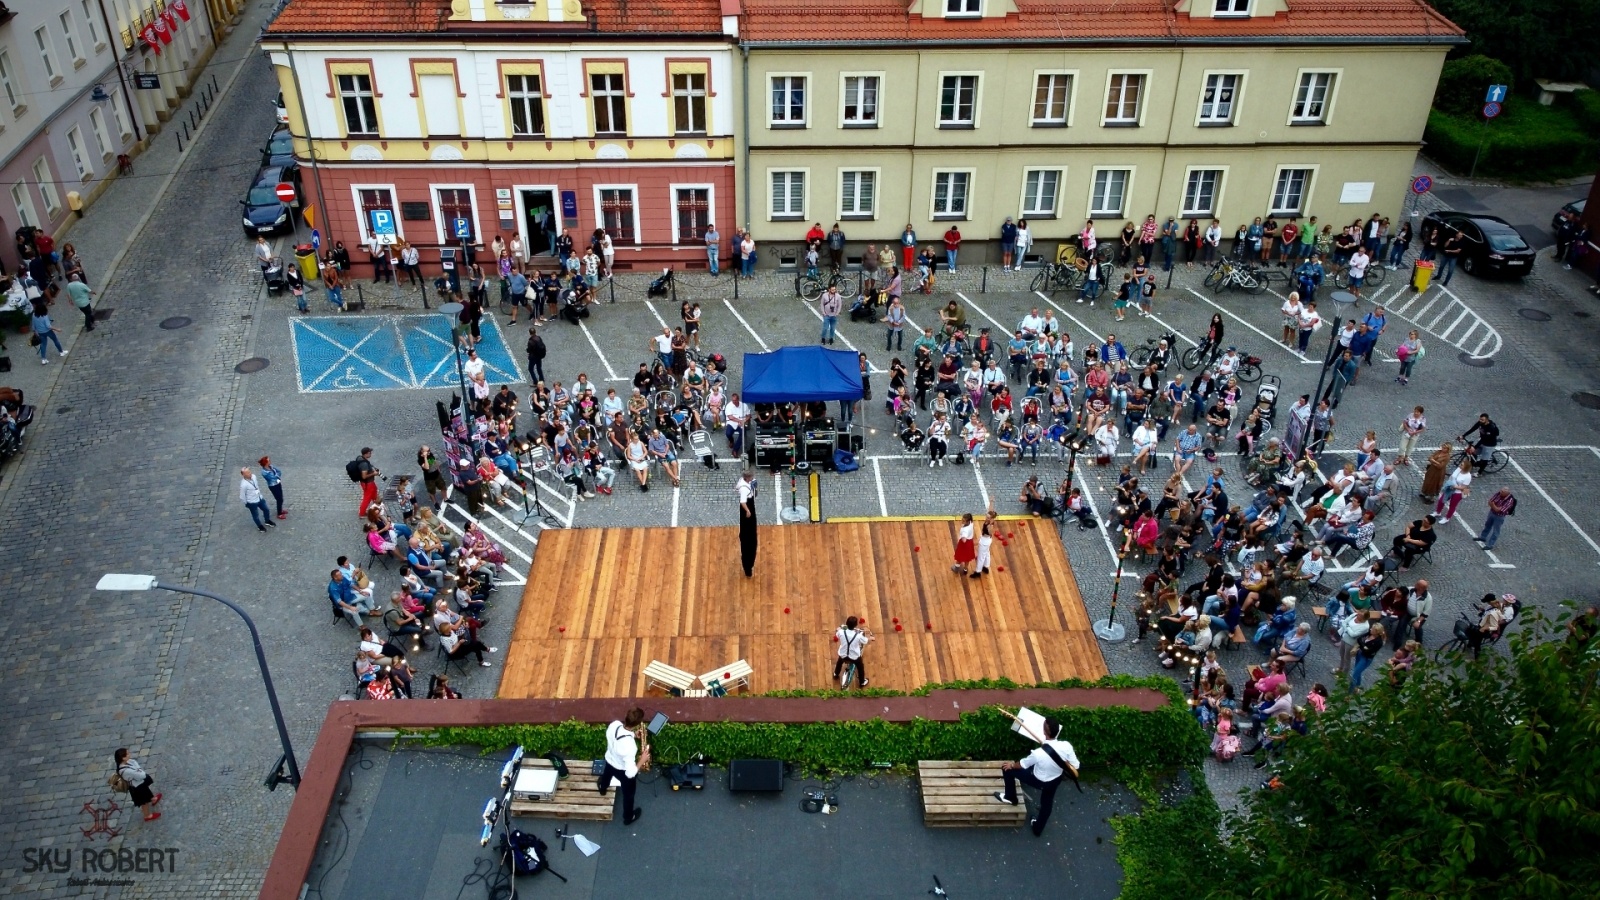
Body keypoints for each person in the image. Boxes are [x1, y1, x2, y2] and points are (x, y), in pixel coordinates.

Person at [993, 717, 1078, 837]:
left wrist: (1011, 765)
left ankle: (1011, 797)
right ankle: (1038, 829)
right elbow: (1076, 765)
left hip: (1038, 780)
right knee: (1047, 804)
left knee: (1007, 770)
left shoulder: (1038, 753)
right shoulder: (1067, 746)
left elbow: (1021, 764)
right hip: (1055, 780)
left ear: (1044, 732)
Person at [600, 708, 646, 825]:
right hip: (622, 771)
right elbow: (630, 773)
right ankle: (628, 817)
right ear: (636, 724)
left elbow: (619, 738)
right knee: (628, 795)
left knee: (606, 776)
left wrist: (633, 735)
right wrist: (642, 760)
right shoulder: (630, 747)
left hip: (610, 760)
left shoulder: (614, 725)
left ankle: (603, 789)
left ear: (626, 717)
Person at [114, 748, 162, 822]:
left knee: (147, 792)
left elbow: (133, 762)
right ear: (123, 758)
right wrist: (139, 769)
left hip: (139, 784)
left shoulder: (125, 763)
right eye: (127, 754)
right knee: (143, 802)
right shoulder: (126, 771)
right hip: (137, 788)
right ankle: (147, 816)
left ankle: (153, 799)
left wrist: (138, 769)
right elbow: (142, 775)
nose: (129, 755)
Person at [834, 616, 872, 686]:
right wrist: (871, 638)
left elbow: (837, 633)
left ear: (846, 624)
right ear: (855, 625)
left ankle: (836, 673)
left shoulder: (841, 632)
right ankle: (862, 682)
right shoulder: (858, 636)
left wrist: (839, 628)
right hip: (854, 657)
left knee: (839, 662)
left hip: (843, 654)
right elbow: (865, 641)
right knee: (860, 667)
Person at [239, 466, 276, 532]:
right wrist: (247, 503)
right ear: (243, 475)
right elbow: (242, 496)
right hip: (252, 502)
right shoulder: (243, 485)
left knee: (266, 509)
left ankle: (267, 521)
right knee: (255, 515)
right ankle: (260, 526)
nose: (250, 473)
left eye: (249, 472)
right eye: (247, 473)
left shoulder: (254, 476)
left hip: (259, 498)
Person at [738, 469, 759, 578]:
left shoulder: (743, 481)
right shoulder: (744, 489)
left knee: (748, 531)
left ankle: (748, 564)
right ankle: (748, 566)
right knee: (749, 539)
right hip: (747, 507)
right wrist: (748, 511)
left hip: (749, 505)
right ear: (747, 478)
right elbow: (743, 501)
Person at [353, 447, 380, 517]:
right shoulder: (364, 464)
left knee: (374, 492)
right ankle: (362, 513)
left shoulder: (359, 458)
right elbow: (364, 476)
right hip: (368, 483)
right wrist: (373, 474)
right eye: (369, 453)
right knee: (367, 498)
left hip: (368, 483)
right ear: (365, 454)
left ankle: (376, 505)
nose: (371, 454)